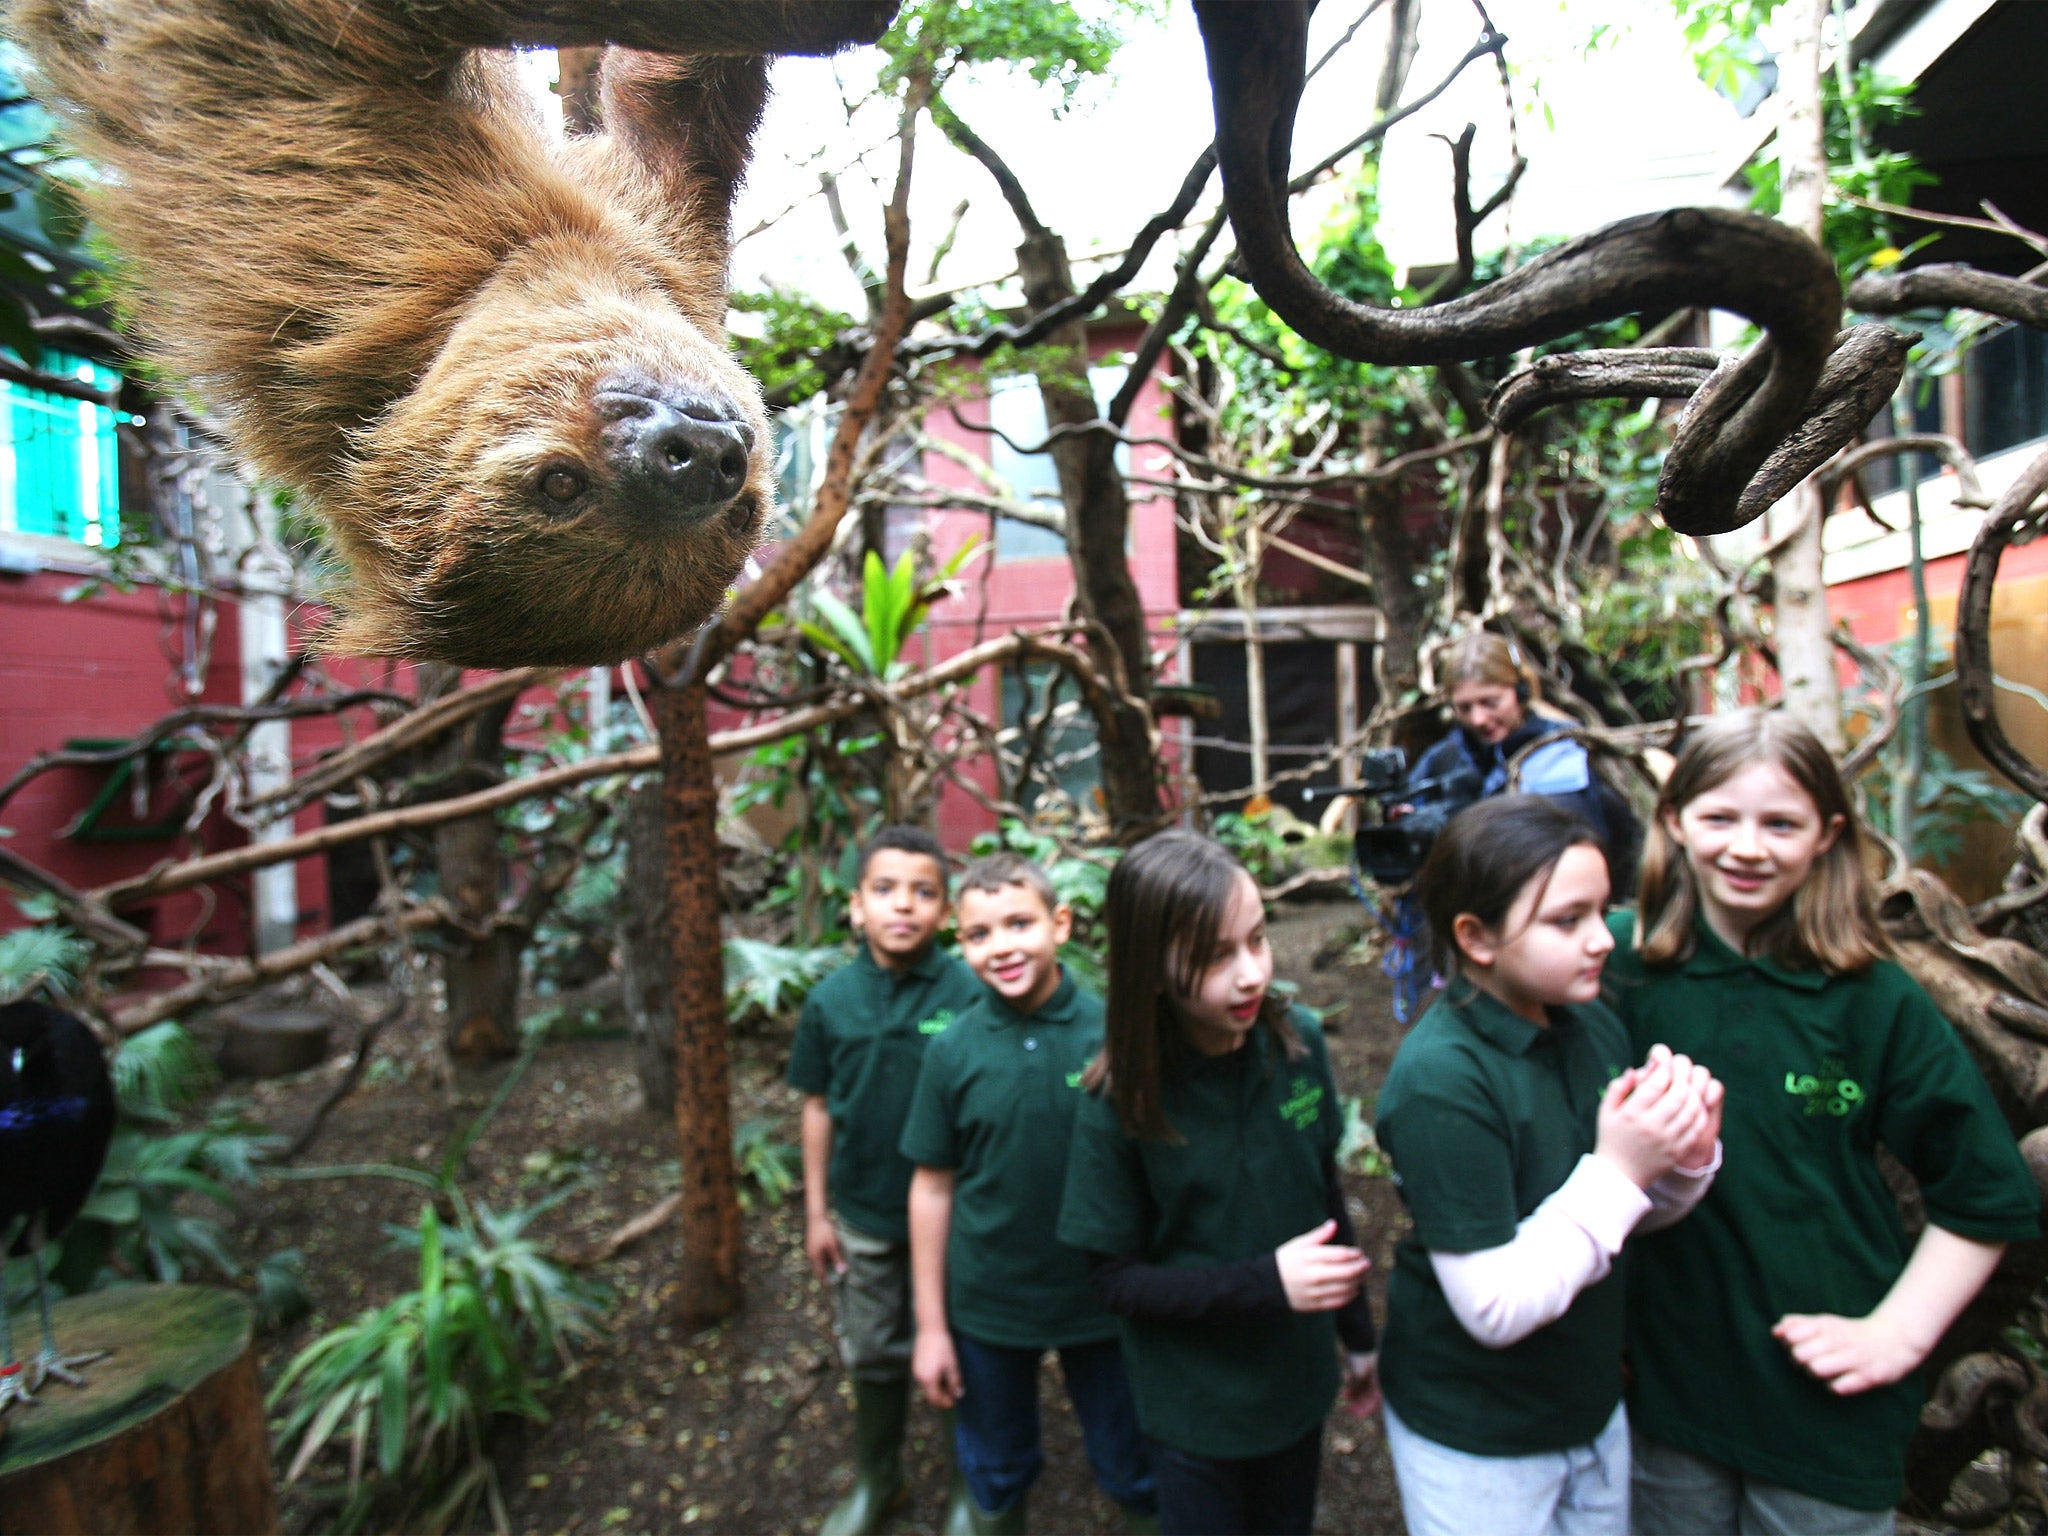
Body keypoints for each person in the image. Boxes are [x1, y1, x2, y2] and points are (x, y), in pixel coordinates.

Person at [1605, 709, 2040, 1534]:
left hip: (1824, 1402)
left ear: (1826, 835)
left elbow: (1983, 1192)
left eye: (1781, 823)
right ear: (1674, 821)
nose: (1748, 846)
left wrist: (1899, 1335)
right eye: (1720, 818)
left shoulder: (1873, 996)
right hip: (1662, 1390)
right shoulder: (1617, 964)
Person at [1375, 795, 1723, 1536]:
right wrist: (1624, 1170)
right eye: (1567, 921)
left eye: (1603, 909)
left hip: (1588, 1405)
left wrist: (1680, 1162)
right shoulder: (1441, 1080)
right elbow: (1495, 1308)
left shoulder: (1590, 1022)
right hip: (1478, 1435)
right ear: (1476, 936)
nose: (1602, 939)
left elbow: (1621, 1219)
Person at [1058, 830, 1376, 1536]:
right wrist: (1268, 1283)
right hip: (1194, 1411)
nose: (1250, 973)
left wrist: (1357, 1337)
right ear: (1149, 968)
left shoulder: (1298, 1046)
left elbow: (1321, 1190)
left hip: (1296, 1386)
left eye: (1257, 940)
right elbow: (1113, 1281)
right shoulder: (1118, 1101)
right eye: (1213, 957)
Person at [900, 851, 1156, 1536]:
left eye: (1020, 923)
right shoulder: (952, 1050)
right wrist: (931, 1326)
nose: (1003, 947)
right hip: (990, 1305)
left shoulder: (1114, 1033)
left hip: (1104, 1299)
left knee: (1134, 1461)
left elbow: (1157, 1162)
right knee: (995, 1465)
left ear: (1060, 924)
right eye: (981, 935)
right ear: (961, 944)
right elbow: (931, 1185)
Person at [786, 825, 987, 1536]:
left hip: (959, 1215)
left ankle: (973, 1486)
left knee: (961, 1343)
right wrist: (817, 1213)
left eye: (923, 892)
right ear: (856, 906)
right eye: (885, 889)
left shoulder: (968, 991)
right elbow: (816, 1105)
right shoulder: (830, 1000)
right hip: (865, 1213)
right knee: (871, 1347)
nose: (903, 906)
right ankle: (881, 1478)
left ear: (944, 910)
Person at [1397, 631, 1635, 883]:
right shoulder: (1444, 758)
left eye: (1490, 702)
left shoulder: (1560, 753)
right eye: (1464, 708)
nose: (1478, 719)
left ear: (1520, 691)